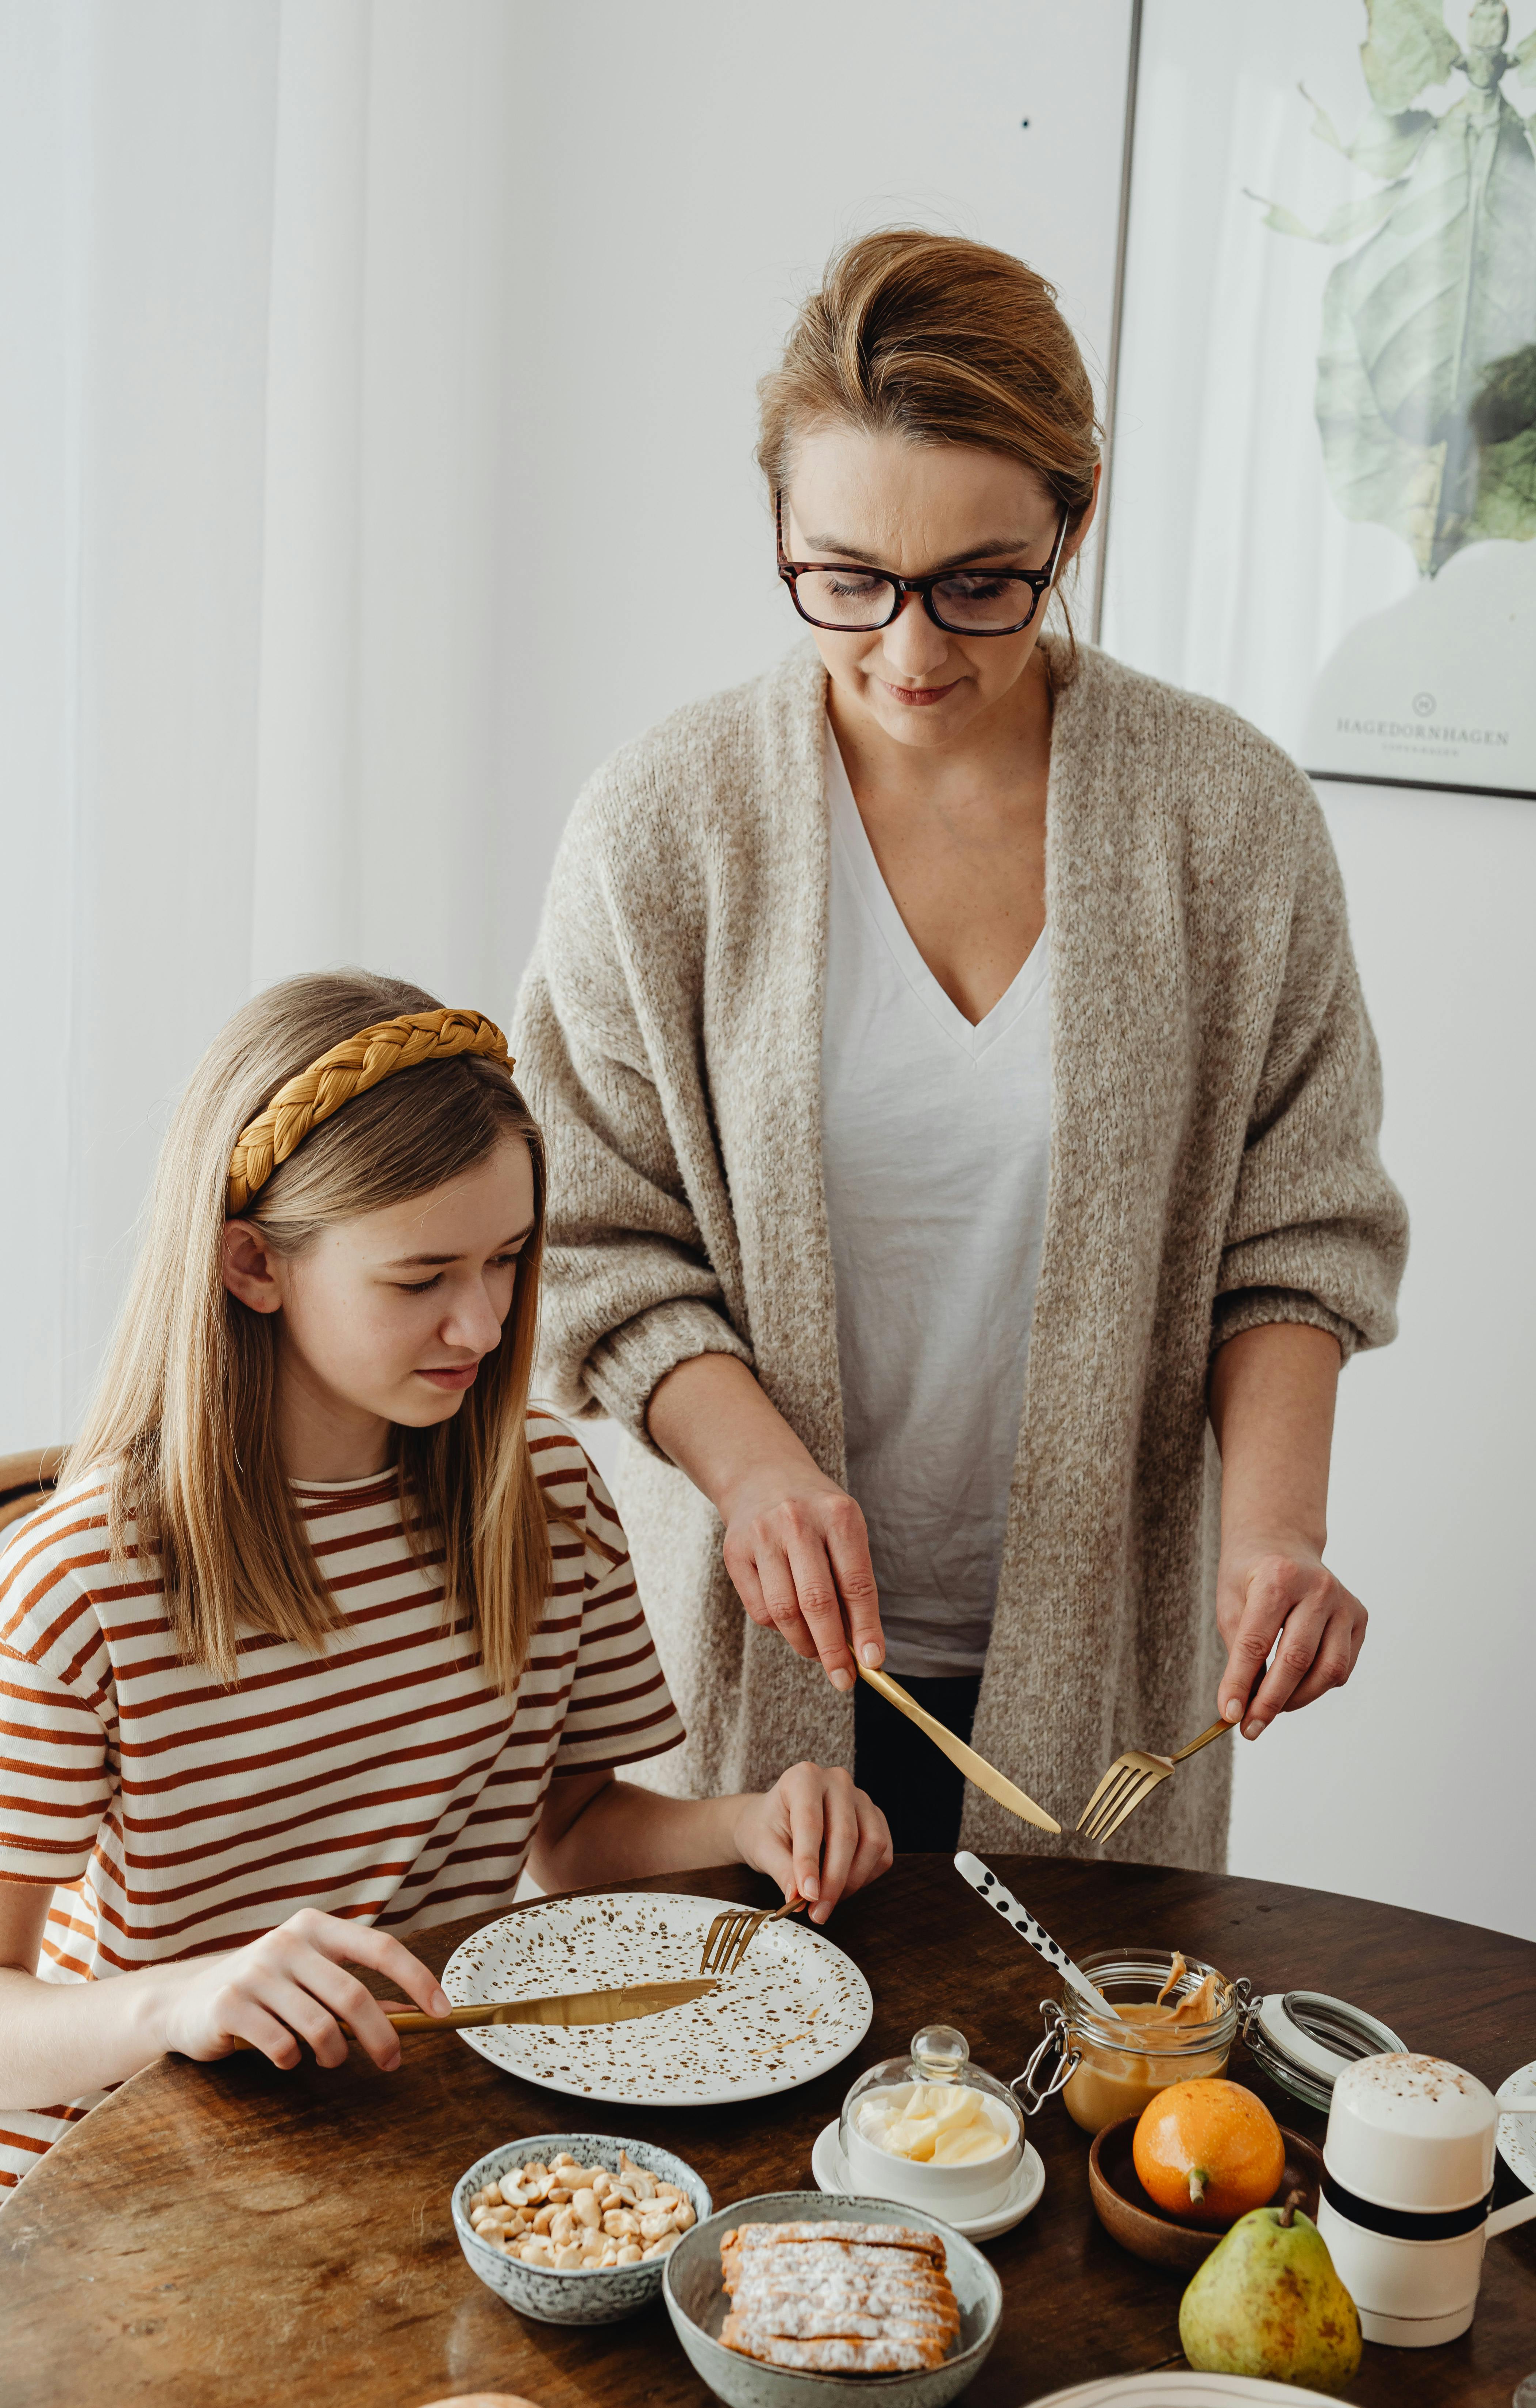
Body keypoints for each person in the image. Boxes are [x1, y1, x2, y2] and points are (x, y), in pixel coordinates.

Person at [513, 228, 1408, 1865]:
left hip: (1101, 1676)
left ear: (1074, 522)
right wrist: (761, 1474)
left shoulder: (1226, 818)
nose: (912, 652)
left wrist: (1277, 1531)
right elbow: (587, 1233)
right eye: (845, 579)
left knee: (1082, 2105)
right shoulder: (664, 828)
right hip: (738, 1671)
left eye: (982, 583)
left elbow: (1302, 1229)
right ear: (777, 524)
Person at [0, 973, 889, 2314]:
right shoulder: (80, 1580)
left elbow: (573, 1833)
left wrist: (748, 1821)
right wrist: (184, 2001)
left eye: (507, 1263)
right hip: (82, 2165)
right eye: (422, 1277)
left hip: (386, 2118)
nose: (485, 1328)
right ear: (253, 1264)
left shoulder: (543, 1494)